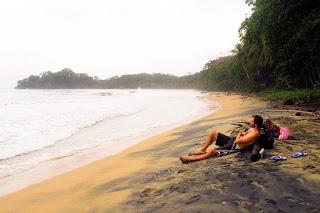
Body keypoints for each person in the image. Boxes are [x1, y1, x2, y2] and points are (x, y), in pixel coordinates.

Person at [179, 115, 263, 163]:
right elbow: (244, 135)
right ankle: (202, 150)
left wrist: (239, 134)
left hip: (234, 146)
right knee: (213, 132)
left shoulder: (255, 134)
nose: (249, 122)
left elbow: (238, 140)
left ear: (256, 123)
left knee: (212, 151)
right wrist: (243, 133)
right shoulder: (252, 129)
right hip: (232, 141)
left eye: (251, 121)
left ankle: (190, 159)